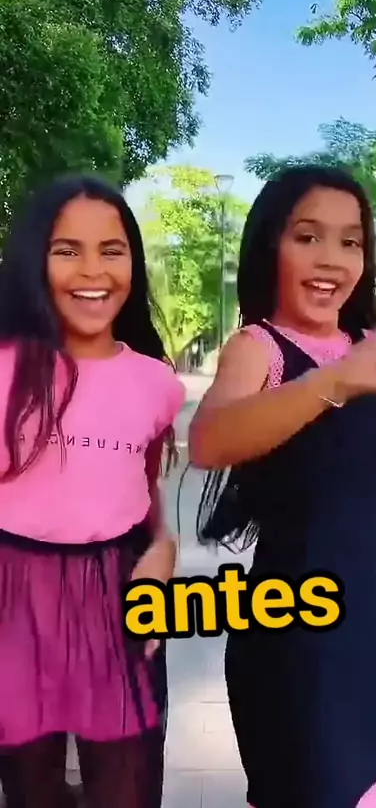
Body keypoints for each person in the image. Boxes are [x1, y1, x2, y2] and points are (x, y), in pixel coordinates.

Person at [189, 166, 376, 808]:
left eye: (351, 242)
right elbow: (209, 441)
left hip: (367, 638)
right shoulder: (259, 347)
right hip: (295, 638)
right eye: (308, 237)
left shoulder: (367, 349)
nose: (331, 259)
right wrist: (341, 379)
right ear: (270, 246)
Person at [0, 174, 185, 808]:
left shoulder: (157, 383)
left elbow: (145, 489)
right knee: (30, 790)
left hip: (118, 593)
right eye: (66, 250)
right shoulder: (5, 367)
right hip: (14, 597)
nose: (92, 270)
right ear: (35, 260)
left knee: (129, 785)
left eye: (112, 250)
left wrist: (163, 550)